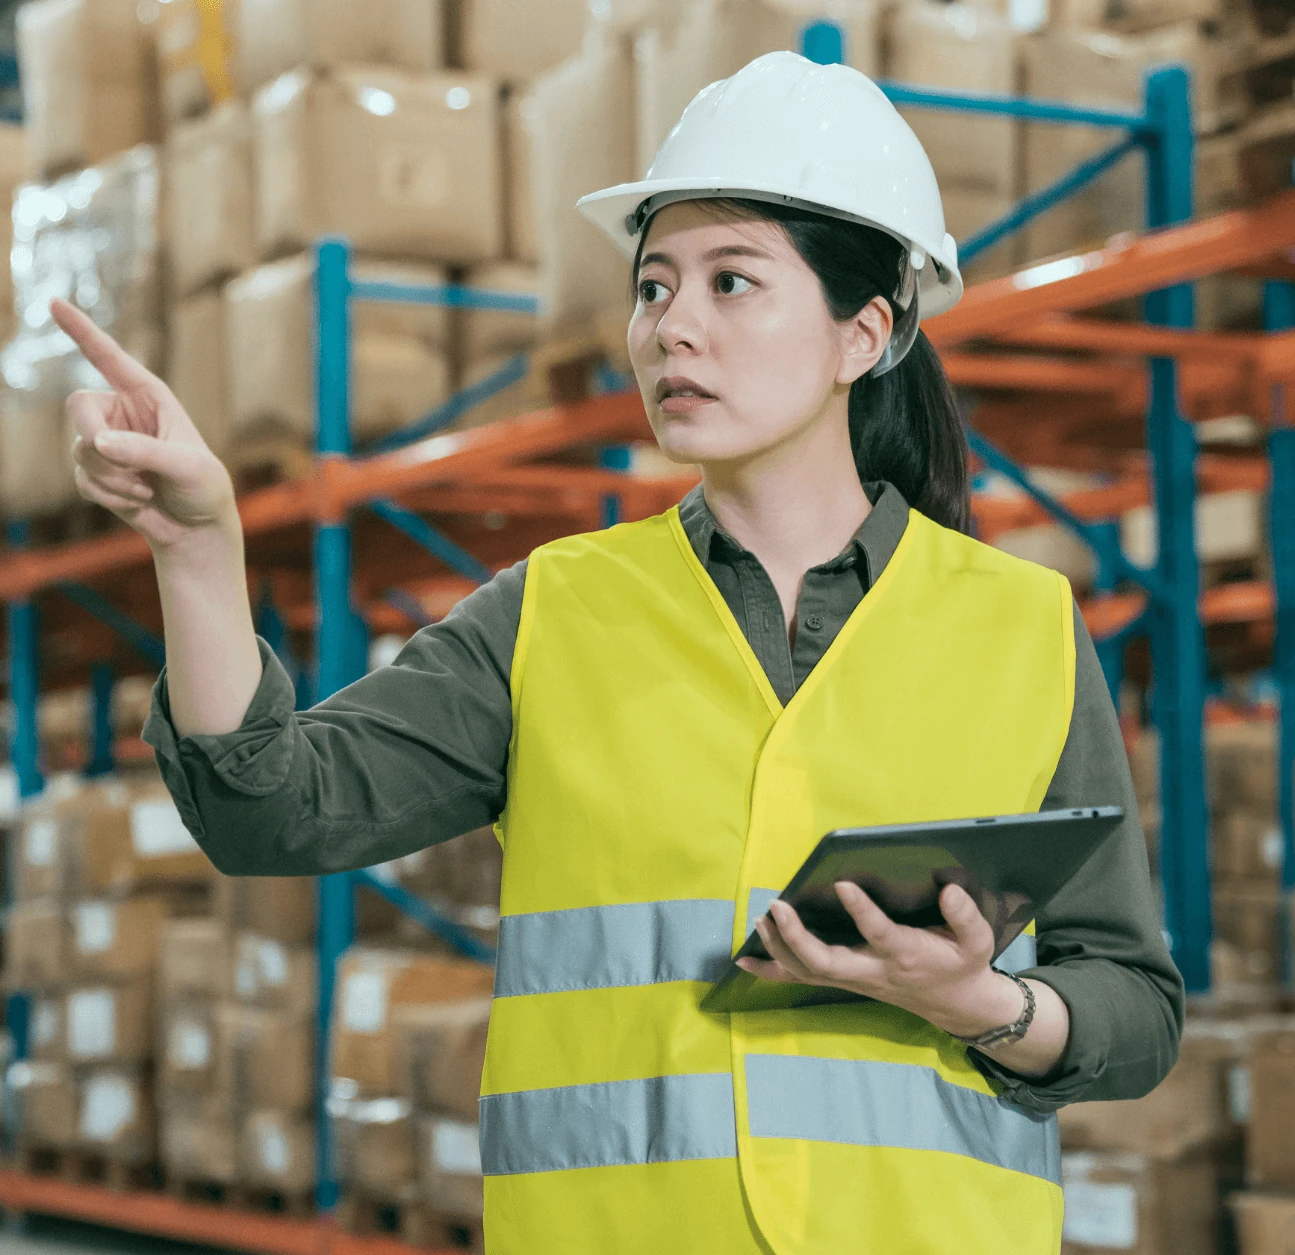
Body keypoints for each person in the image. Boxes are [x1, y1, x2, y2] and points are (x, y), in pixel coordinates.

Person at [54, 51, 1181, 1255]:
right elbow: (271, 812)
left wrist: (989, 1006)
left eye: (730, 282)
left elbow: (1129, 1002)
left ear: (864, 334)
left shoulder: (1018, 626)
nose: (668, 327)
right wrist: (196, 551)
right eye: (653, 286)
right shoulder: (551, 613)